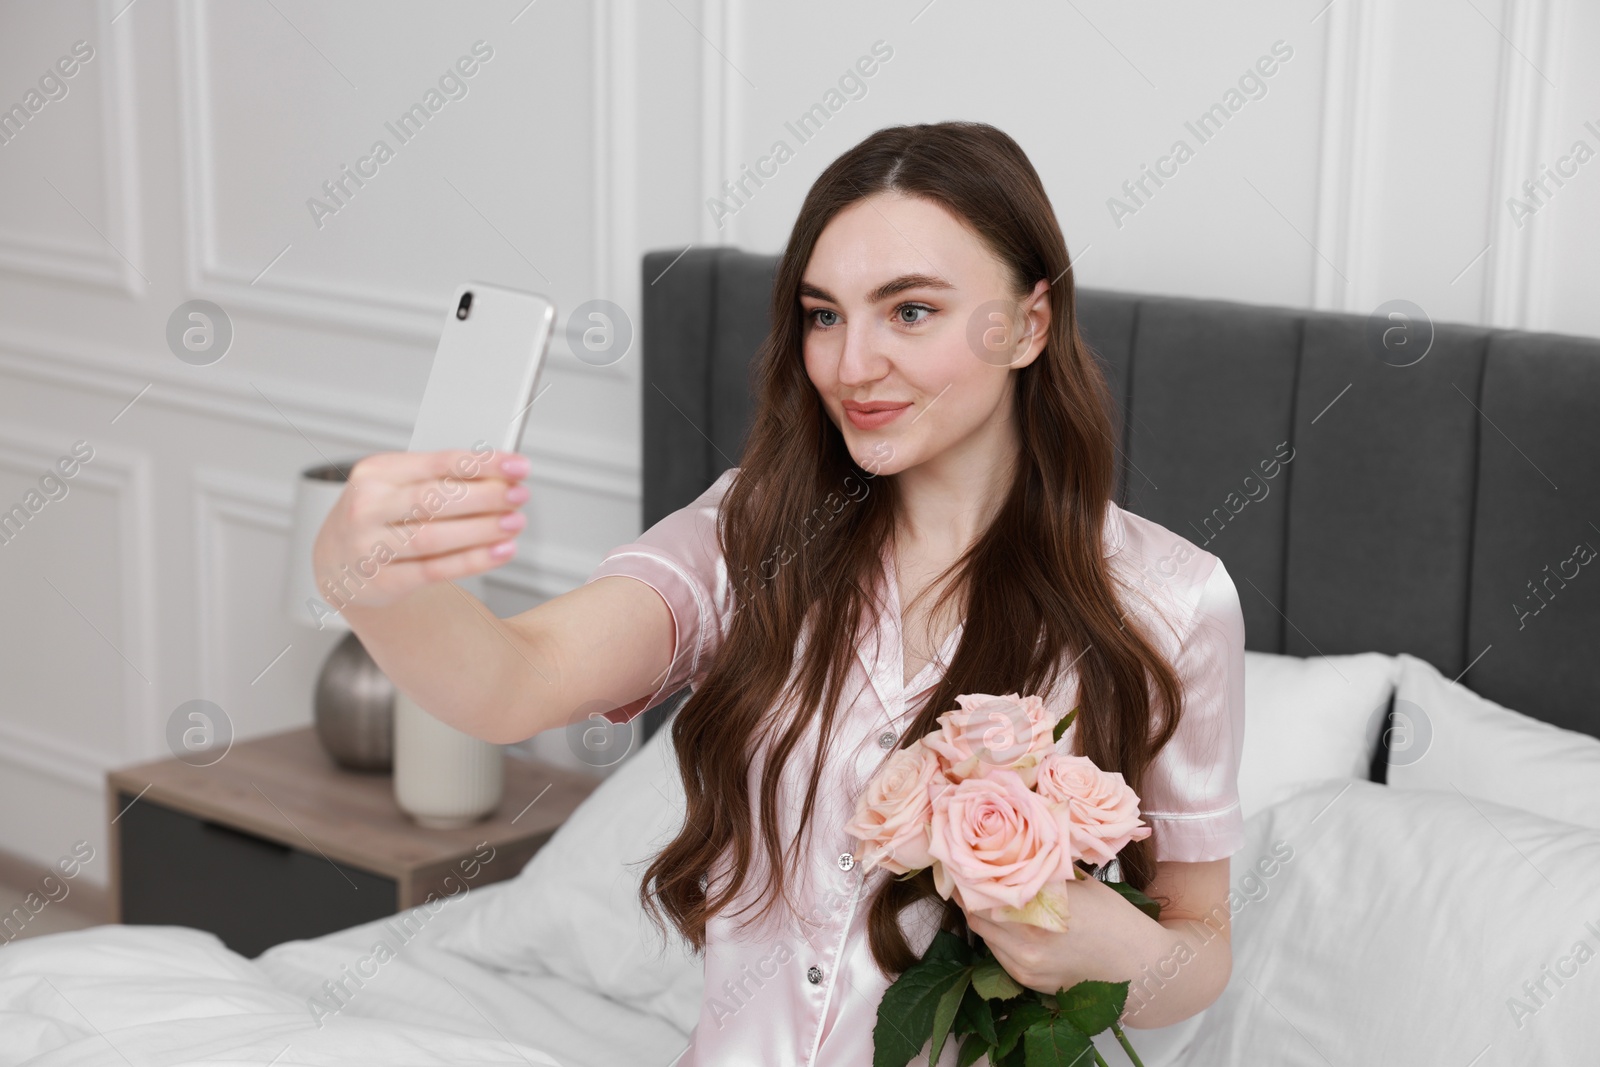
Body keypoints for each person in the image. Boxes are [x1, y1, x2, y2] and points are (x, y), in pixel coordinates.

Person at [315, 120, 1246, 1066]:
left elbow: (1200, 939)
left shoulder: (1172, 601)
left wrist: (1128, 952)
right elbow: (513, 682)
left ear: (1029, 325)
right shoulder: (750, 534)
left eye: (910, 310)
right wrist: (368, 581)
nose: (851, 365)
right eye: (824, 314)